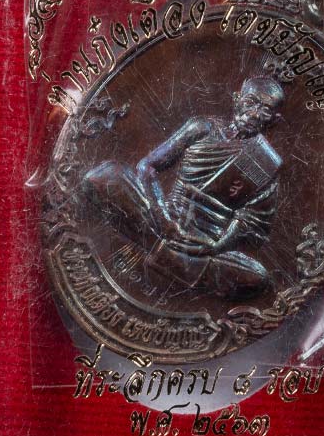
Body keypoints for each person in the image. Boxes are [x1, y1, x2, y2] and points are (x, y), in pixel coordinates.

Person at [83, 76, 285, 299]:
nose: (254, 114)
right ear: (237, 100)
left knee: (257, 277)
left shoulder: (267, 163)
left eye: (265, 110)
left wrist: (215, 246)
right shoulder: (203, 127)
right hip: (165, 219)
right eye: (250, 103)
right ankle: (178, 261)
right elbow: (148, 166)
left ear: (274, 120)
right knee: (103, 176)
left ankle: (159, 249)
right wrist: (164, 219)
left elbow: (251, 222)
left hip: (205, 243)